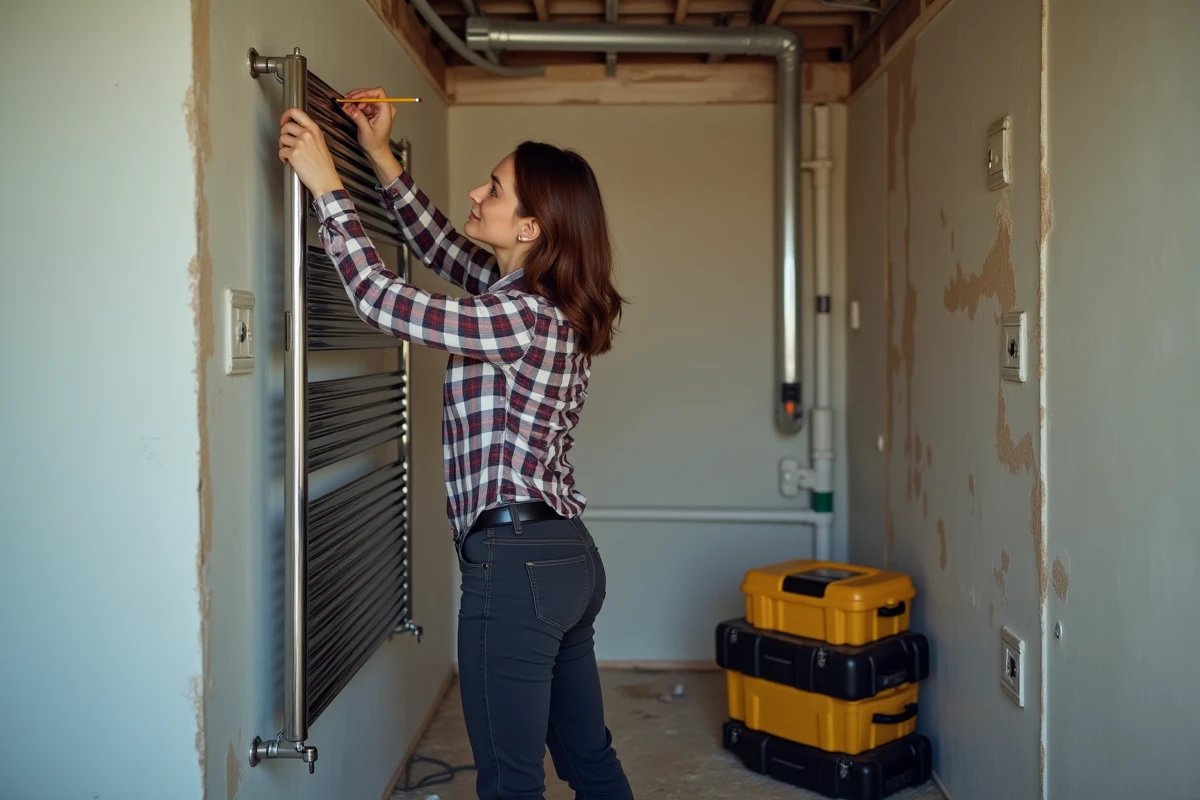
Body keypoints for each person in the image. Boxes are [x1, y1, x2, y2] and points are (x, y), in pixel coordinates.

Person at [278, 87, 635, 800]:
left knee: (508, 782)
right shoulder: (540, 300)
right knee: (587, 761)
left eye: (495, 188)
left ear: (531, 226)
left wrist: (329, 188)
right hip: (566, 560)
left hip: (516, 568)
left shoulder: (515, 316)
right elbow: (439, 245)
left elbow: (382, 300)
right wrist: (379, 154)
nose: (477, 190)